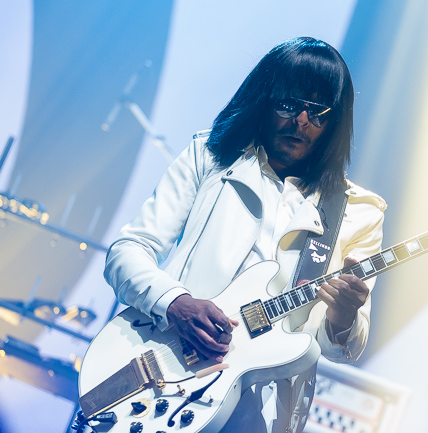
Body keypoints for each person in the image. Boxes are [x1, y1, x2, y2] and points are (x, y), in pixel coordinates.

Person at [104, 37, 386, 432]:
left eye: (318, 111)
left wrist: (343, 314)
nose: (301, 121)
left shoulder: (358, 211)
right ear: (263, 99)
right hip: (160, 374)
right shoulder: (209, 156)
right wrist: (176, 303)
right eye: (289, 103)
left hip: (258, 411)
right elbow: (128, 251)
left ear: (334, 122)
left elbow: (341, 348)